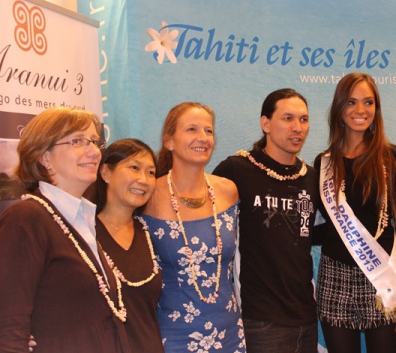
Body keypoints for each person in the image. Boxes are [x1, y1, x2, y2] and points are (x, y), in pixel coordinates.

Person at [0, 107, 131, 352]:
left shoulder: (82, 219)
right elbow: (9, 326)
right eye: (77, 141)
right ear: (44, 156)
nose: (93, 152)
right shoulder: (26, 219)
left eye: (94, 141)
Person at [314, 72, 396, 352]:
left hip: (383, 278)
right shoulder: (323, 163)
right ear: (339, 108)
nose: (361, 110)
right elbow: (323, 228)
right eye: (351, 102)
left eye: (368, 102)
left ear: (377, 108)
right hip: (334, 278)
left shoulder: (394, 158)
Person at [212, 88, 319, 352]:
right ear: (266, 124)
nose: (297, 128)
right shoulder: (236, 169)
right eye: (288, 118)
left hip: (306, 314)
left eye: (303, 119)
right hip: (260, 318)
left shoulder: (314, 178)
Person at [142, 102, 245, 352]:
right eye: (191, 129)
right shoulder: (147, 195)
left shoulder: (228, 191)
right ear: (169, 141)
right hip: (172, 335)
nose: (203, 138)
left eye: (208, 131)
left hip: (229, 332)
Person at [84, 138, 164, 352]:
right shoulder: (81, 232)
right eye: (134, 168)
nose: (144, 180)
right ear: (106, 173)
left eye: (150, 172)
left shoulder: (151, 232)